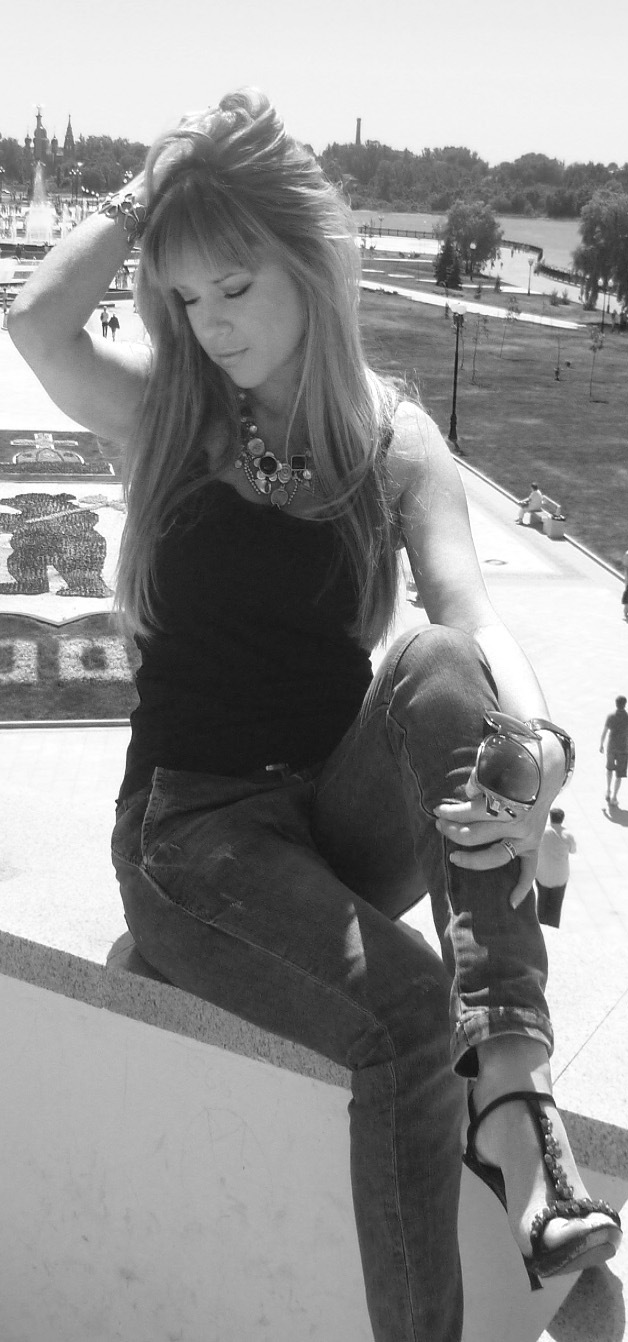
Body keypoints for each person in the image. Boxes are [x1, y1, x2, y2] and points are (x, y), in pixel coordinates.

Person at [8, 89, 621, 1342]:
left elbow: (472, 622)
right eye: (188, 297)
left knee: (441, 665)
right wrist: (152, 190)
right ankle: (499, 1213)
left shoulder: (391, 440)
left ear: (306, 263)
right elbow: (35, 322)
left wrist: (542, 757)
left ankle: (511, 1085)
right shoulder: (171, 415)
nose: (211, 323)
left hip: (334, 824)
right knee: (402, 1009)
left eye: (235, 286)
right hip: (193, 834)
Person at [535, 808, 576, 928]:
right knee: (556, 907)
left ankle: (541, 926)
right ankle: (553, 927)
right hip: (560, 876)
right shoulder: (567, 835)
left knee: (542, 902)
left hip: (542, 874)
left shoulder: (542, 832)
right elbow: (573, 850)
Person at [600, 695, 628, 806]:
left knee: (609, 769)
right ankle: (614, 797)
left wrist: (601, 744)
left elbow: (605, 731)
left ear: (616, 704)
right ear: (625, 704)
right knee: (619, 775)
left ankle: (608, 790)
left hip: (611, 747)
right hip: (623, 749)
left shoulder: (611, 716)